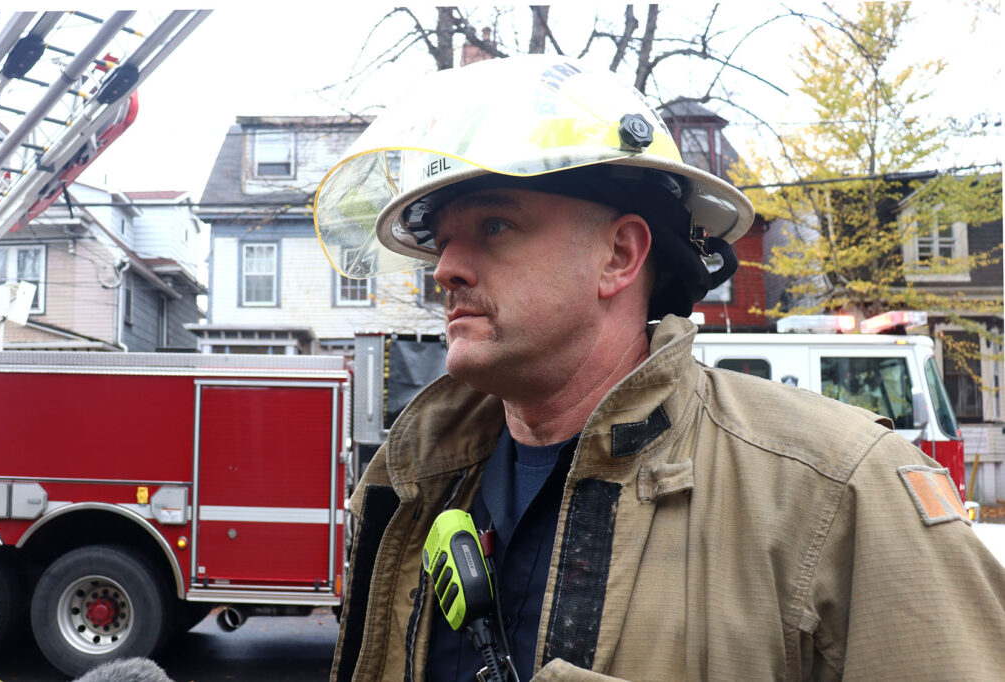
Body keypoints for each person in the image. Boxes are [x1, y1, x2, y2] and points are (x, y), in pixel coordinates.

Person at [314, 56, 1005, 681]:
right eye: (439, 242)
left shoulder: (839, 492)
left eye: (494, 226)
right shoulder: (412, 485)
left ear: (619, 255)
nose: (445, 271)